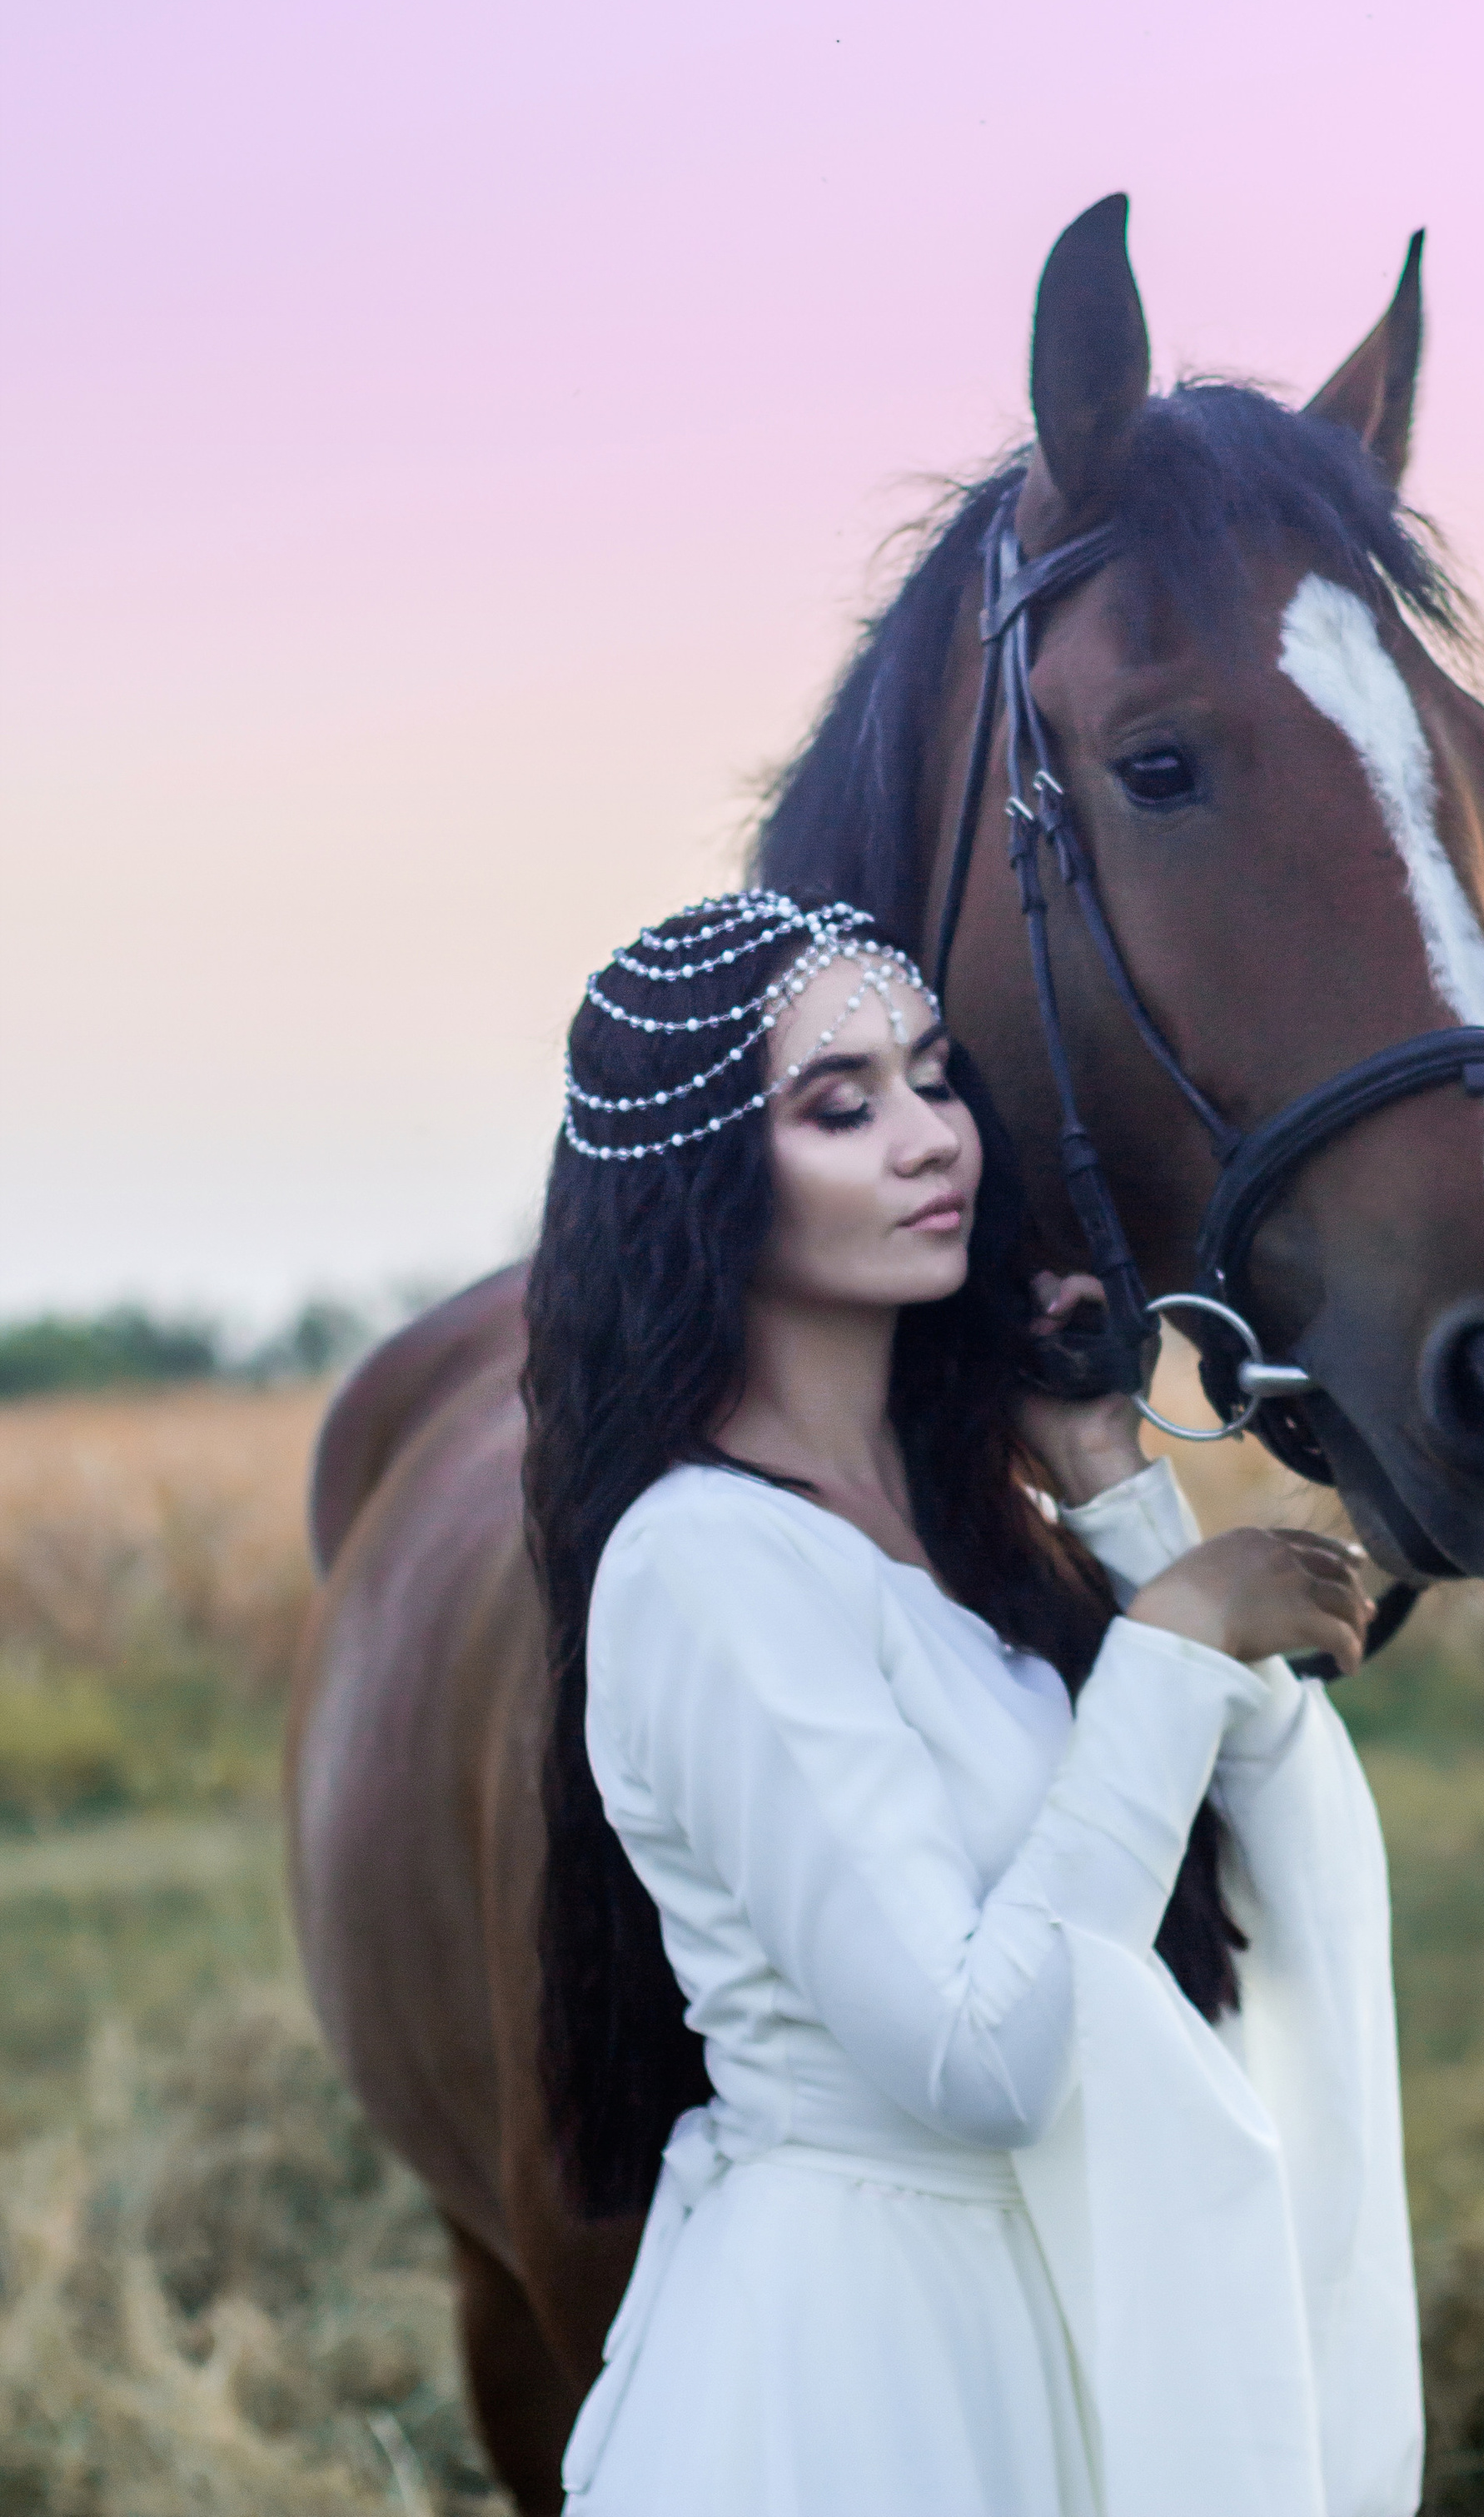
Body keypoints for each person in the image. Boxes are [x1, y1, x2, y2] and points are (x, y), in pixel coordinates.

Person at [522, 890, 1422, 2517]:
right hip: (873, 2363)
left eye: (935, 1079)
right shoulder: (704, 1565)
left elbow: (1269, 1852)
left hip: (1068, 2301)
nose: (930, 1136)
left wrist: (1114, 1499)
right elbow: (974, 2060)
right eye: (841, 1107)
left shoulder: (970, 1522)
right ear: (705, 1179)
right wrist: (1172, 1637)